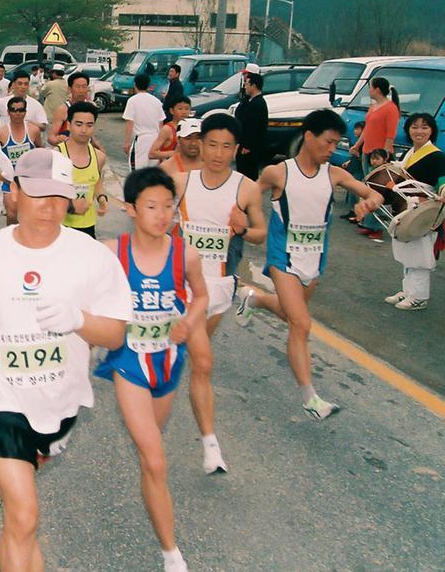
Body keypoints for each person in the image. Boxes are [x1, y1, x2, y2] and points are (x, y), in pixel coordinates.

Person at [0, 148, 132, 572]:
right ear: (15, 193)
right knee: (25, 517)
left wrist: (79, 319)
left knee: (21, 510)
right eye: (38, 194)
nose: (49, 208)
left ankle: (0, 465)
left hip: (60, 399)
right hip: (0, 396)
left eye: (59, 196)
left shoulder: (92, 255)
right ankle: (1, 459)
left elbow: (116, 333)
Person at [94, 167, 208, 572]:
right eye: (152, 206)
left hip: (168, 364)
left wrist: (190, 323)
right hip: (129, 365)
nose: (163, 215)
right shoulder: (112, 253)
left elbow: (201, 296)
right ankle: (171, 554)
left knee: (150, 455)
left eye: (169, 207)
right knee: (157, 460)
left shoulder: (185, 253)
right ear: (130, 209)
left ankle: (150, 486)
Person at [237, 109, 383, 420]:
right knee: (301, 324)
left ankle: (256, 299)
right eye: (329, 142)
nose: (332, 149)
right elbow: (247, 193)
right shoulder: (279, 173)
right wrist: (241, 217)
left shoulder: (335, 175)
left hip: (315, 261)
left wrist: (368, 202)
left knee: (290, 313)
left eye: (336, 143)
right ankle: (310, 398)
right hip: (282, 259)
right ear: (309, 137)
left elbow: (374, 193)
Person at [170, 114, 267, 474]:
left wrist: (243, 229)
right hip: (182, 287)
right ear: (200, 143)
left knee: (194, 359)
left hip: (221, 286)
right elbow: (151, 217)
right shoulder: (180, 182)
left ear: (237, 149)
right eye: (212, 144)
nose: (218, 153)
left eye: (227, 146)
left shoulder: (246, 188)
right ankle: (212, 447)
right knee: (204, 362)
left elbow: (260, 232)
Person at [383, 112, 445, 311]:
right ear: (408, 130)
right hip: (405, 208)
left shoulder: (437, 155)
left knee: (420, 254)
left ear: (432, 131)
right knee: (406, 251)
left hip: (424, 211)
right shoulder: (409, 153)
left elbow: (443, 181)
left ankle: (419, 296)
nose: (419, 131)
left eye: (424, 127)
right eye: (415, 127)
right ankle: (408, 290)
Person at [348, 76, 401, 238]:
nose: (369, 90)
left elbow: (391, 135)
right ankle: (367, 222)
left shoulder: (390, 108)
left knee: (377, 190)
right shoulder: (373, 107)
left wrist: (384, 155)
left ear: (377, 89)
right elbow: (368, 129)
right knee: (367, 189)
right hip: (367, 152)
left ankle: (376, 226)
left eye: (371, 87)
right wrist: (357, 145)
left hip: (379, 155)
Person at [57, 102, 108, 238]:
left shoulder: (99, 157)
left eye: (89, 125)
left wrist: (102, 198)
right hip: (60, 227)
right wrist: (71, 206)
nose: (84, 130)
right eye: (79, 124)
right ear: (69, 125)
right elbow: (48, 195)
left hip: (87, 226)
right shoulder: (56, 155)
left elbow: (96, 182)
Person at [0, 96, 43, 225]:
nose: (17, 114)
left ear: (25, 112)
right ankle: (10, 241)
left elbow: (41, 150)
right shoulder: (2, 132)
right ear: (8, 112)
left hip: (30, 181)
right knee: (12, 214)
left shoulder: (34, 130)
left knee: (29, 216)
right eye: (14, 110)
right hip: (10, 181)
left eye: (21, 110)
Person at [123, 74, 166, 170]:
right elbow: (161, 124)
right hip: (156, 140)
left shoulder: (132, 101)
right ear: (148, 85)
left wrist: (127, 143)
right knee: (153, 172)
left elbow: (129, 123)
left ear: (135, 84)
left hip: (141, 140)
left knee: (137, 172)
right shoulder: (157, 101)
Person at [233, 71, 269, 180]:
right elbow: (239, 113)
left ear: (253, 85)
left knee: (248, 174)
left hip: (250, 147)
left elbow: (255, 128)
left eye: (247, 84)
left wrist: (248, 146)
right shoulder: (249, 100)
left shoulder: (259, 104)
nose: (245, 87)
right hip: (243, 143)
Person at [46, 71, 91, 146]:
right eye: (78, 87)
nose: (81, 90)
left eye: (84, 86)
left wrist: (98, 146)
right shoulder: (63, 109)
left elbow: (90, 134)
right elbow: (51, 137)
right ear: (69, 89)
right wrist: (58, 140)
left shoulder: (90, 108)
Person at [149, 96, 193, 162]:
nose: (184, 112)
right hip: (168, 168)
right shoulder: (167, 129)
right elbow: (152, 154)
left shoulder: (192, 128)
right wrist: (175, 153)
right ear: (172, 111)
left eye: (187, 109)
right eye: (180, 109)